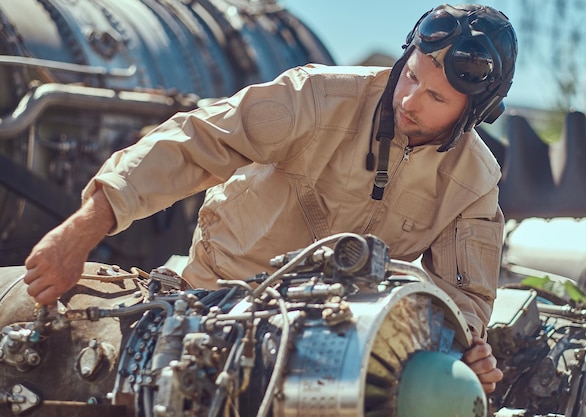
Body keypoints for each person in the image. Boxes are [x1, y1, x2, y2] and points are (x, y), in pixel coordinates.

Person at [22, 4, 517, 393]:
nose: (410, 100)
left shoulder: (475, 180)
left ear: (474, 112)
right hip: (212, 307)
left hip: (335, 349)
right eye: (412, 76)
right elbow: (196, 140)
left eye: (436, 98)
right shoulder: (317, 96)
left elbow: (465, 299)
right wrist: (85, 226)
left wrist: (466, 348)